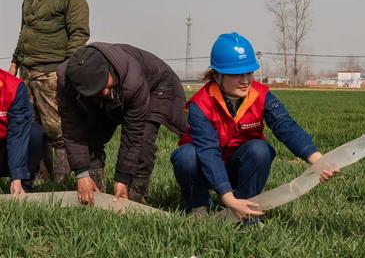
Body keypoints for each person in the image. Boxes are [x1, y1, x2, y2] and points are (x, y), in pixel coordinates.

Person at [171, 32, 337, 221]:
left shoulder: (261, 95)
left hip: (238, 167)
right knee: (185, 156)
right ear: (217, 75)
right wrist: (227, 198)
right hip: (204, 168)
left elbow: (286, 126)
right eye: (236, 74)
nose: (245, 80)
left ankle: (247, 209)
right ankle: (198, 205)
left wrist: (317, 160)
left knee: (260, 149)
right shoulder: (199, 105)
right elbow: (208, 152)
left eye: (249, 73)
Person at [57, 42, 187, 205]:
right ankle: (96, 196)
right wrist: (82, 175)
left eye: (104, 85)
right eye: (97, 90)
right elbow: (73, 130)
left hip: (156, 86)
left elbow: (133, 136)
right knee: (91, 138)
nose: (104, 91)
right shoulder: (67, 80)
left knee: (143, 142)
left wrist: (122, 179)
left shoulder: (133, 81)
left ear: (108, 70)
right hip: (111, 89)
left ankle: (135, 198)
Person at [8, 0, 90, 182]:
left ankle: (65, 182)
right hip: (27, 74)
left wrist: (65, 69)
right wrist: (15, 62)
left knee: (59, 130)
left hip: (51, 73)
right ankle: (38, 179)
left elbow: (79, 34)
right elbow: (25, 31)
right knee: (29, 128)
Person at [0, 68, 46, 194]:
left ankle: (23, 185)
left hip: (7, 146)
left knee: (34, 134)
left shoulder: (13, 87)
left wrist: (16, 176)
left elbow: (18, 134)